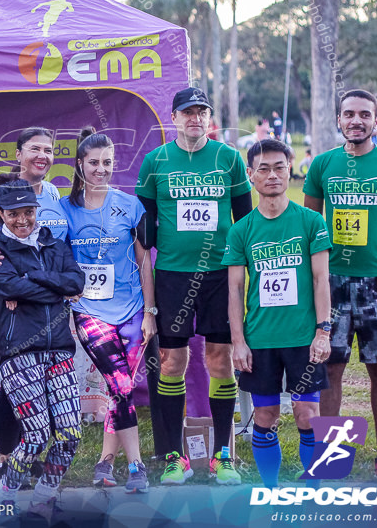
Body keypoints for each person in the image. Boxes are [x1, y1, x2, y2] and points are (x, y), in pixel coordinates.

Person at [135, 86, 252, 486]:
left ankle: (223, 455)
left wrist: (240, 274)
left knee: (219, 360)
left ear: (209, 118)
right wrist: (149, 303)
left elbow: (245, 222)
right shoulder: (155, 161)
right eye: (187, 112)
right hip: (173, 275)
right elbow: (144, 231)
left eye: (201, 112)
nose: (195, 119)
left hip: (219, 275)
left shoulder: (229, 159)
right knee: (171, 363)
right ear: (174, 118)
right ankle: (173, 456)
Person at [303, 89, 377, 483]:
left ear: (375, 121)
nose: (356, 120)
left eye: (364, 115)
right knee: (331, 368)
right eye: (349, 114)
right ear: (339, 120)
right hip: (331, 283)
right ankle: (332, 459)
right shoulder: (322, 165)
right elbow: (310, 226)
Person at [223, 139, 332, 488]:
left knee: (307, 414)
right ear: (252, 175)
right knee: (266, 415)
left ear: (291, 170)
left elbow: (321, 280)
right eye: (264, 169)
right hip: (261, 339)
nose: (272, 175)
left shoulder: (311, 222)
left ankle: (314, 487)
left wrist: (323, 331)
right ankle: (270, 488)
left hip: (303, 337)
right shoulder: (240, 230)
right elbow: (235, 290)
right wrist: (238, 342)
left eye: (280, 167)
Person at [0, 127, 68, 481]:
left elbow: (58, 253)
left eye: (48, 149)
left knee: (41, 383)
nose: (42, 156)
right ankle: (6, 459)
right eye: (34, 149)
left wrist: (52, 289)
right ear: (19, 153)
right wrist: (12, 291)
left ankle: (30, 457)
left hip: (47, 308)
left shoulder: (55, 194)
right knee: (15, 384)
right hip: (8, 306)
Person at [61, 129, 156, 493]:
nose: (101, 170)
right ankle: (137, 466)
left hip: (132, 310)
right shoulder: (65, 210)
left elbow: (144, 261)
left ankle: (105, 462)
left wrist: (150, 311)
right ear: (80, 165)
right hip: (89, 312)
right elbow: (57, 258)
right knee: (120, 384)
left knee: (121, 389)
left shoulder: (130, 205)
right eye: (94, 163)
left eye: (107, 163)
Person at [0, 178, 84, 520]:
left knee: (71, 432)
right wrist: (55, 289)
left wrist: (32, 283)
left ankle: (44, 496)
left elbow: (77, 282)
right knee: (37, 434)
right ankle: (7, 491)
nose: (22, 220)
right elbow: (8, 285)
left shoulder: (55, 245)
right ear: (1, 214)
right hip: (18, 352)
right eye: (13, 214)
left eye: (28, 212)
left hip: (59, 349)